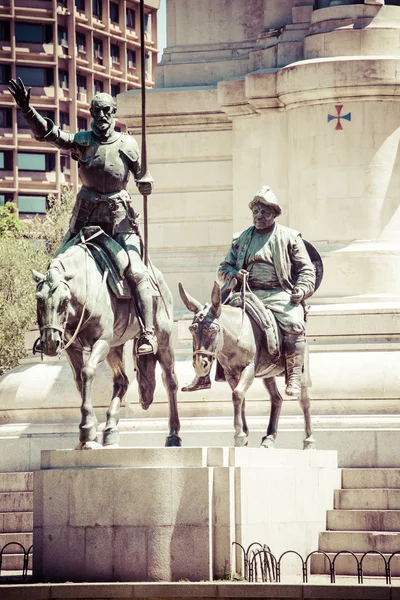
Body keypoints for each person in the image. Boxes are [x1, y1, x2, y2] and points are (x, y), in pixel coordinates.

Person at [9, 77, 156, 355]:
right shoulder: (82, 141)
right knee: (54, 273)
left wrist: (146, 182)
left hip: (119, 226)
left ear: (114, 113)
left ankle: (147, 332)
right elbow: (50, 135)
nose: (101, 116)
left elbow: (142, 176)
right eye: (96, 111)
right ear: (91, 115)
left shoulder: (128, 144)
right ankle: (51, 331)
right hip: (85, 223)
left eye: (106, 111)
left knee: (137, 271)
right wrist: (28, 110)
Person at [182, 185, 316, 396]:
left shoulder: (290, 237)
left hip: (279, 294)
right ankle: (202, 376)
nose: (259, 216)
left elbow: (307, 270)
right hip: (244, 294)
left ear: (274, 214)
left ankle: (294, 376)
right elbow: (223, 268)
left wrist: (301, 290)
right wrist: (235, 274)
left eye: (264, 212)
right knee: (210, 321)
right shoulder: (241, 238)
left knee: (294, 323)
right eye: (256, 211)